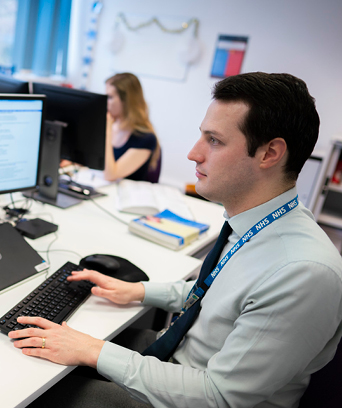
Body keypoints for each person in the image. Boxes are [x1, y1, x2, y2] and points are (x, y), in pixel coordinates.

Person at [9, 72, 342, 408]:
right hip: (181, 361)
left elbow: (219, 396)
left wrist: (92, 351)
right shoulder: (256, 224)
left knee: (34, 392)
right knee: (46, 354)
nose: (193, 154)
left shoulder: (303, 272)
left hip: (201, 395)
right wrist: (137, 291)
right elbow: (216, 293)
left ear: (270, 153)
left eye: (214, 140)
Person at [104, 72, 161, 182]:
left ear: (127, 101)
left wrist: (106, 130)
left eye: (110, 97)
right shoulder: (112, 126)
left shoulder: (145, 138)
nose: (105, 102)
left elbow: (110, 175)